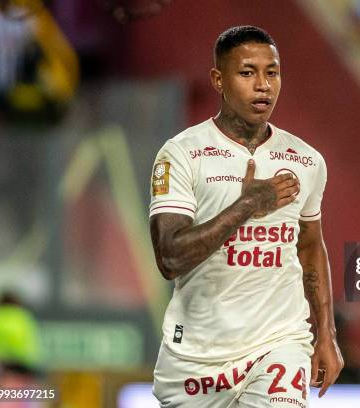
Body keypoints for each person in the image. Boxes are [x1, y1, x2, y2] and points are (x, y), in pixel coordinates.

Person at [149, 25, 343, 407]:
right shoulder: (182, 154)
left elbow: (309, 247)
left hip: (279, 343)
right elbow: (170, 258)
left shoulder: (305, 160)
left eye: (272, 72)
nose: (263, 85)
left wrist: (326, 334)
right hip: (197, 356)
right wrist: (246, 207)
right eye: (247, 72)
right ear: (218, 80)